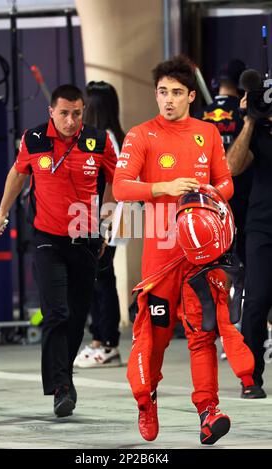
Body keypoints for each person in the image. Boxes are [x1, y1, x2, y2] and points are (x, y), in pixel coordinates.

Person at [113, 56, 255, 445]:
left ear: (192, 95)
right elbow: (121, 187)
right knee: (154, 339)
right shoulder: (141, 135)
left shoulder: (207, 133)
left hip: (200, 257)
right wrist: (164, 187)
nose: (169, 100)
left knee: (202, 335)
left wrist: (208, 193)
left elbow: (226, 183)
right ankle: (147, 400)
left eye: (177, 93)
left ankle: (209, 411)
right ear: (155, 95)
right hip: (159, 258)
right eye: (162, 92)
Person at [0, 84, 117, 417]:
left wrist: (108, 217)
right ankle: (61, 386)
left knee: (76, 316)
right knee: (56, 312)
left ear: (83, 111)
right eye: (64, 114)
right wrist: (2, 211)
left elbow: (117, 180)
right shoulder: (34, 140)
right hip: (48, 238)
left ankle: (65, 374)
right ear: (51, 112)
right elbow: (18, 174)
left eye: (77, 113)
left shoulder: (98, 141)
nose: (71, 121)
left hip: (87, 238)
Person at [195, 59, 254, 359]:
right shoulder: (245, 112)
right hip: (244, 199)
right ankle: (243, 329)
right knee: (248, 267)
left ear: (217, 81)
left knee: (219, 267)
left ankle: (221, 330)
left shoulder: (201, 115)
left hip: (209, 204)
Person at [74, 80, 125, 368]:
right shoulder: (97, 137)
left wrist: (103, 224)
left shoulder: (107, 139)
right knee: (95, 279)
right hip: (100, 216)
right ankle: (99, 339)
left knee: (102, 279)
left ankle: (107, 343)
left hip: (112, 217)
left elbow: (115, 183)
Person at [227, 89, 272, 399]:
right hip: (262, 227)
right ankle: (250, 377)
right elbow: (232, 166)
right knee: (256, 301)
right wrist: (249, 121)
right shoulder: (258, 130)